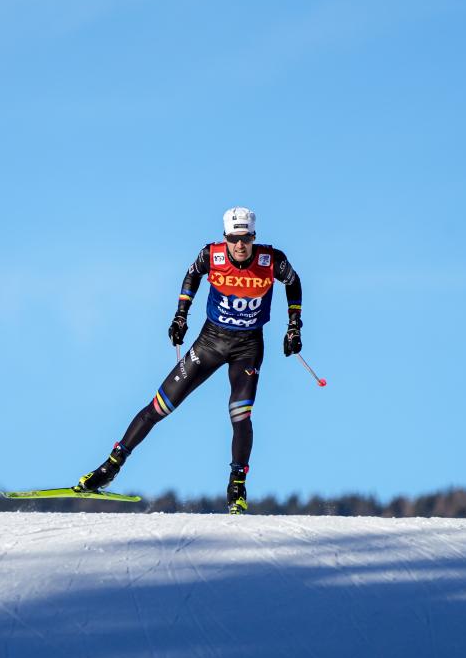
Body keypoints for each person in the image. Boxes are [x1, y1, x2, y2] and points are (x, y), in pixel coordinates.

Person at [75, 207, 303, 514]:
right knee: (159, 406)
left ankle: (237, 486)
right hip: (210, 342)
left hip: (247, 347)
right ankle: (110, 466)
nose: (240, 245)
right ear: (226, 238)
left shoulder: (270, 260)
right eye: (234, 239)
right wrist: (180, 315)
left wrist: (294, 326)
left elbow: (293, 282)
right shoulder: (212, 256)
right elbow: (192, 274)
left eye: (246, 239)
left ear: (253, 237)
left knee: (240, 415)